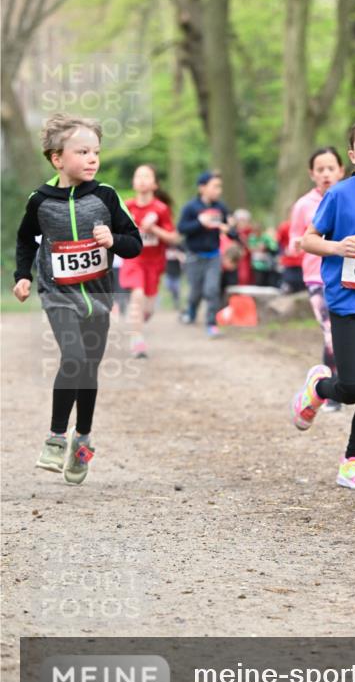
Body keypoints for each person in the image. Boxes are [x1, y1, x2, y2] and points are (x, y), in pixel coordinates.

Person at [13, 113, 142, 485]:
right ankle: (56, 437)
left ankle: (82, 441)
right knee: (73, 358)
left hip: (98, 298)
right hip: (58, 295)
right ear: (57, 158)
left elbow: (134, 243)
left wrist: (113, 240)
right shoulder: (41, 200)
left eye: (95, 152)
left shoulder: (105, 196)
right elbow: (25, 240)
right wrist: (22, 275)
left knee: (88, 371)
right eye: (82, 152)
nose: (92, 159)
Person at [293, 118, 355, 490]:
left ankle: (353, 461)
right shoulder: (340, 194)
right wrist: (336, 247)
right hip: (346, 301)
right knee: (353, 386)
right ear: (352, 154)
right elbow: (308, 240)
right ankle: (319, 388)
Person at [288, 147, 345, 411]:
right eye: (320, 170)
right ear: (312, 174)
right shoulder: (303, 205)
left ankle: (336, 385)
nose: (326, 174)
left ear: (341, 171)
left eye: (331, 168)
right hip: (316, 277)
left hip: (348, 275)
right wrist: (299, 244)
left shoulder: (348, 197)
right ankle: (332, 393)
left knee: (343, 334)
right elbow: (292, 242)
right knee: (331, 333)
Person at [119, 164, 179, 358]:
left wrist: (153, 229)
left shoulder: (161, 209)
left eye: (147, 177)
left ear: (155, 184)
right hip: (133, 259)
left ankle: (139, 319)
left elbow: (173, 238)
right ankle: (137, 340)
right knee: (137, 295)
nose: (142, 180)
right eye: (138, 176)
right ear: (133, 182)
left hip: (154, 263)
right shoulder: (127, 206)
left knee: (148, 309)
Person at [177, 171, 230, 337]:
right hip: (194, 256)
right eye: (215, 186)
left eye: (220, 187)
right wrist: (200, 223)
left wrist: (229, 230)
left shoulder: (221, 208)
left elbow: (230, 229)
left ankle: (211, 324)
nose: (219, 190)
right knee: (196, 292)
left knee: (212, 290)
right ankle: (191, 311)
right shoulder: (191, 207)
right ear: (202, 188)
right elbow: (181, 228)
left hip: (213, 256)